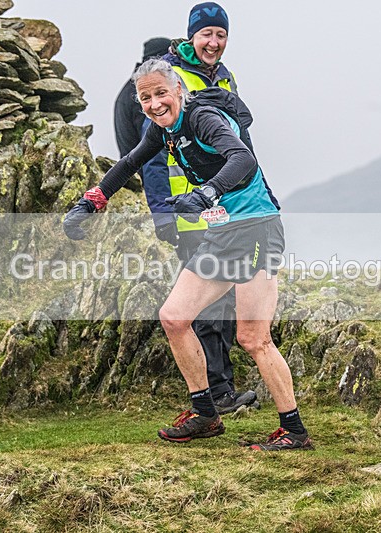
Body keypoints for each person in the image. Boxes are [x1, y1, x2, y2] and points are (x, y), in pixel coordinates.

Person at [64, 59, 312, 450]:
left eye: (161, 93)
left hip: (255, 228)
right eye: (145, 97)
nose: (154, 103)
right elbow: (130, 163)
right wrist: (91, 201)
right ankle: (205, 413)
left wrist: (206, 192)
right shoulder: (161, 130)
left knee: (253, 338)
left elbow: (243, 159)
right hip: (219, 234)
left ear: (178, 89)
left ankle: (294, 431)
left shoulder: (203, 118)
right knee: (174, 318)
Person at [114, 36, 256, 415]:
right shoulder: (144, 100)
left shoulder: (215, 80)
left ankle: (219, 388)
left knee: (218, 298)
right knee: (205, 303)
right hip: (185, 212)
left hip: (212, 208)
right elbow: (148, 162)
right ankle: (216, 392)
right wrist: (164, 214)